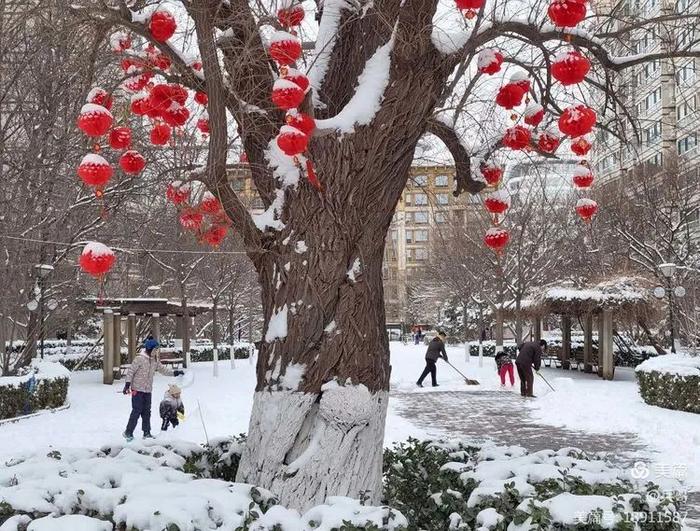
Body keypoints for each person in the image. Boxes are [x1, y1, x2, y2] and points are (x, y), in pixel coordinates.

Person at [122, 337, 184, 441]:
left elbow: (163, 370)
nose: (156, 352)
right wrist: (127, 385)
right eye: (155, 350)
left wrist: (175, 372)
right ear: (149, 349)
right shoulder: (139, 359)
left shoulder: (155, 361)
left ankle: (147, 433)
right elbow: (131, 372)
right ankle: (128, 432)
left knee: (147, 412)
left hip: (147, 390)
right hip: (137, 389)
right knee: (136, 411)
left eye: (157, 350)